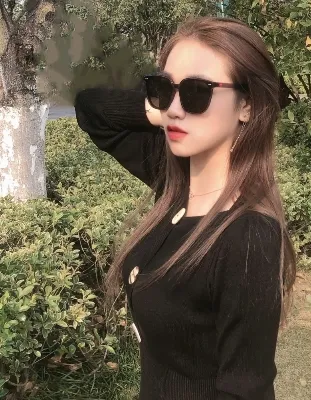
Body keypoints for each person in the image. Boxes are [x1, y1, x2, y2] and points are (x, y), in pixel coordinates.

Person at [74, 16, 296, 400]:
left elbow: (245, 390)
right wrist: (162, 111)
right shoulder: (176, 183)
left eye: (197, 92)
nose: (175, 109)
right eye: (163, 88)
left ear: (246, 105)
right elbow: (91, 109)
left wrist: (171, 108)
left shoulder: (247, 237)